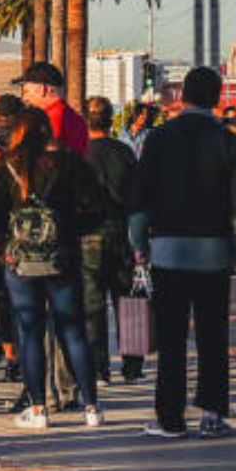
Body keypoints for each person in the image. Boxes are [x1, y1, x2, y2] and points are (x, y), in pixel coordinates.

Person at [130, 66, 236, 439]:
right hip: (213, 253)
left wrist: (139, 244)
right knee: (213, 337)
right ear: (217, 99)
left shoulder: (159, 138)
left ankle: (170, 417)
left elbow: (140, 197)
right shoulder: (228, 141)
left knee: (172, 338)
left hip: (167, 251)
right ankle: (212, 413)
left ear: (183, 97)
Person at [0, 106, 105, 429]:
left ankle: (38, 409)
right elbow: (97, 208)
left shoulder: (6, 169)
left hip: (20, 262)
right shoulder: (72, 164)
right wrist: (70, 232)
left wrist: (3, 245)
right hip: (62, 259)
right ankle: (91, 408)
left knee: (30, 333)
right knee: (73, 331)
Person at [82, 96, 144, 385]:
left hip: (88, 238)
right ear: (111, 121)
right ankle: (132, 367)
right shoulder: (125, 152)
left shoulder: (79, 153)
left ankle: (97, 369)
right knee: (129, 302)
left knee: (92, 306)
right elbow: (138, 200)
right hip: (122, 235)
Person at [15, 62, 88, 156]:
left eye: (26, 92)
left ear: (42, 90)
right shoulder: (77, 119)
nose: (24, 98)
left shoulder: (49, 120)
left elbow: (46, 159)